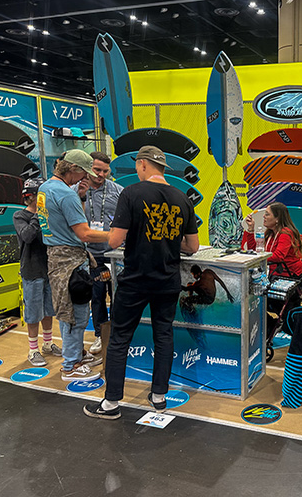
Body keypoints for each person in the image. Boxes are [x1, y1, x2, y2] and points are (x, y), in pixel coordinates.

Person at [84, 145, 199, 420]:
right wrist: (167, 241)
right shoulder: (182, 198)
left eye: (137, 165)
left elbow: (115, 241)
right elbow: (192, 246)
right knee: (164, 335)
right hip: (167, 280)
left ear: (143, 164)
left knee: (120, 338)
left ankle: (111, 403)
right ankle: (159, 396)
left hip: (136, 279)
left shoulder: (131, 193)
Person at [37, 150, 110, 382]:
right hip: (70, 262)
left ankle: (76, 353)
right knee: (74, 314)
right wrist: (115, 235)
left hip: (56, 257)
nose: (85, 178)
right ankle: (70, 365)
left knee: (68, 309)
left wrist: (80, 196)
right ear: (73, 169)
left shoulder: (45, 188)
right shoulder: (65, 194)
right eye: (83, 173)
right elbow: (84, 233)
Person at [71, 151, 123, 355]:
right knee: (97, 297)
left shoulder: (118, 191)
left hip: (115, 254)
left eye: (105, 171)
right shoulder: (75, 190)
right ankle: (101, 335)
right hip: (90, 256)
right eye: (97, 170)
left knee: (117, 297)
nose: (101, 175)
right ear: (88, 168)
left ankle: (118, 334)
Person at [13, 177, 60, 367]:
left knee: (49, 309)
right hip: (32, 270)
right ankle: (33, 350)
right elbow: (27, 236)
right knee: (33, 312)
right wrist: (38, 215)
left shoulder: (47, 214)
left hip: (49, 268)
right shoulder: (20, 216)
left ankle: (48, 343)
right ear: (32, 196)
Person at [242, 203, 302, 334]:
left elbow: (278, 256)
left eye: (267, 214)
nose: (263, 217)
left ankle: (273, 326)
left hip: (291, 279)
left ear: (277, 218)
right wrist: (251, 230)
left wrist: (258, 257)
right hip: (276, 277)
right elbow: (255, 250)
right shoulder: (270, 234)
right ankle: (271, 326)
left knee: (257, 298)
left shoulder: (286, 233)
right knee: (252, 297)